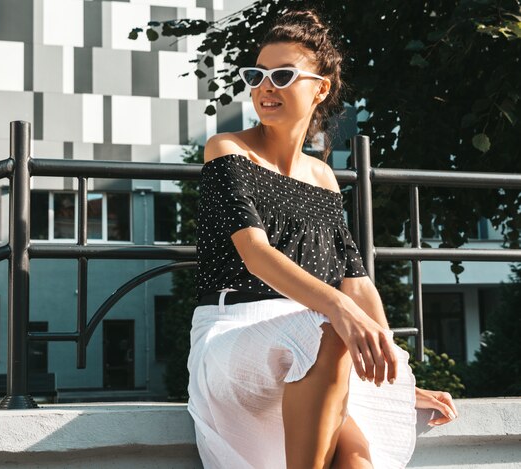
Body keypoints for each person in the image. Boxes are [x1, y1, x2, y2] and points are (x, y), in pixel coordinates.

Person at [187, 8, 458, 469]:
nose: (265, 86)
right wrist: (337, 308)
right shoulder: (228, 148)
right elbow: (255, 253)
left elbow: (354, 280)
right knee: (327, 330)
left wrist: (399, 380)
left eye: (283, 74)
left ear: (322, 87)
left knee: (357, 460)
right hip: (234, 338)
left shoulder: (323, 176)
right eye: (257, 74)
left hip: (316, 351)